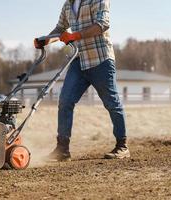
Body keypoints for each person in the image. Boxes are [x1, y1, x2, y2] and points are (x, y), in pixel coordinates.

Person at [34, 0, 130, 161]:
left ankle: (122, 146)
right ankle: (62, 150)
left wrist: (75, 35)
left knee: (112, 103)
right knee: (65, 101)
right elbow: (60, 29)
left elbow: (102, 25)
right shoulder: (67, 5)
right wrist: (45, 40)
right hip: (79, 61)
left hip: (100, 60)